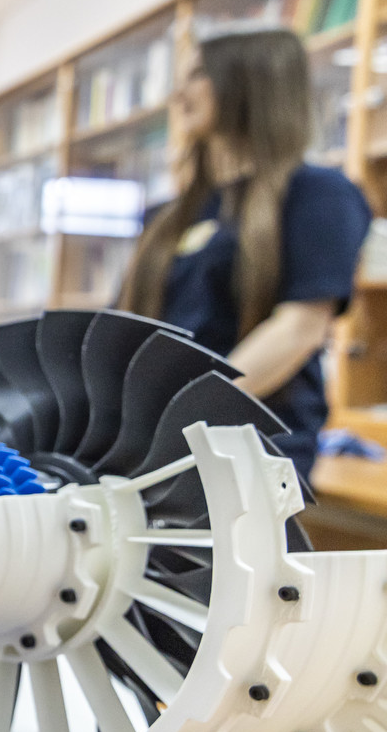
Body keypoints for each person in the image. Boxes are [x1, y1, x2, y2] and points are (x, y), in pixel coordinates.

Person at [117, 27, 371, 482]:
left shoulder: (317, 194)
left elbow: (299, 328)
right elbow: (121, 325)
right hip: (145, 447)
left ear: (249, 81)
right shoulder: (166, 216)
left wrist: (185, 416)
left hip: (250, 455)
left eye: (198, 74)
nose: (178, 94)